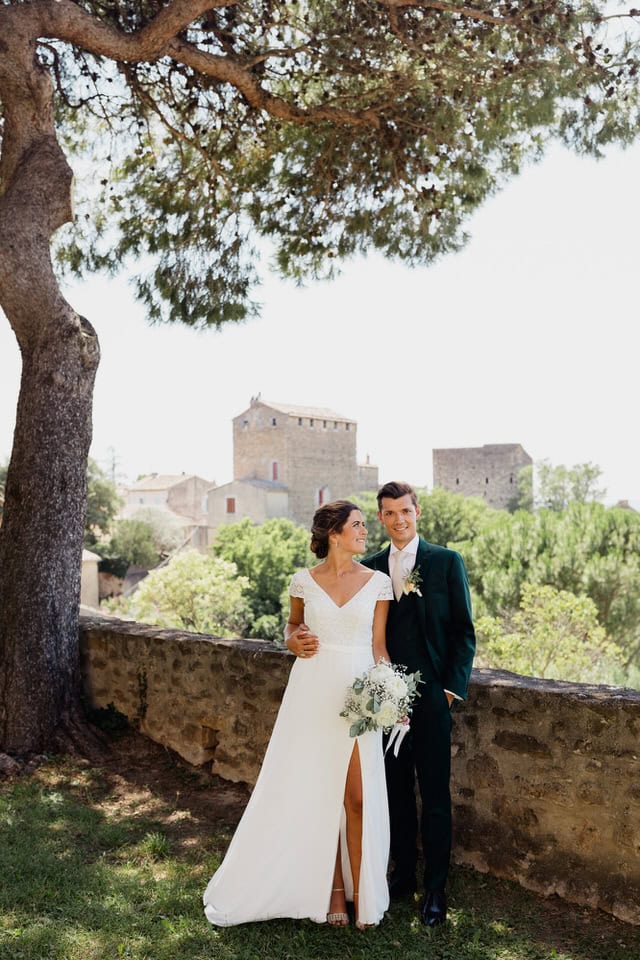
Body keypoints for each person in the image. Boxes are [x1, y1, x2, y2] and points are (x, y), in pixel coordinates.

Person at [203, 499, 393, 929]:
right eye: (359, 525)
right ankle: (333, 894)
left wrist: (390, 694)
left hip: (360, 696)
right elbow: (291, 627)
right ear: (335, 533)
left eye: (365, 525)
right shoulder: (302, 582)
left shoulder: (379, 584)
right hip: (312, 689)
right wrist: (292, 641)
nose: (366, 532)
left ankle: (363, 894)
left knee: (357, 799)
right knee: (316, 791)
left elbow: (379, 645)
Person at [361, 480, 476, 927]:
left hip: (432, 700)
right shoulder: (370, 570)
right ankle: (402, 875)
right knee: (394, 792)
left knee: (435, 796)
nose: (398, 520)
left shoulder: (446, 562)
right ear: (381, 518)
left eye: (404, 511)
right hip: (387, 699)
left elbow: (464, 632)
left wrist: (450, 690)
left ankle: (435, 889)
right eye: (389, 513)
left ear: (417, 512)